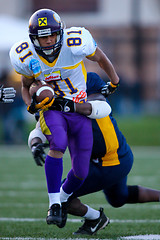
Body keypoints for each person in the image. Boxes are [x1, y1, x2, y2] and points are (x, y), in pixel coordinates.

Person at [9, 9, 119, 226]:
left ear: (61, 33)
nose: (49, 40)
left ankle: (62, 199)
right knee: (57, 143)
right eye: (43, 36)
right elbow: (25, 87)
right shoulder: (26, 56)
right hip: (53, 109)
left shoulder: (75, 43)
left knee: (80, 171)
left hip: (78, 108)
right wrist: (32, 107)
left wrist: (114, 80)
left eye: (52, 34)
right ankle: (55, 204)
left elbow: (100, 57)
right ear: (34, 39)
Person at [28, 72, 160, 235]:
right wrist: (35, 144)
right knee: (118, 197)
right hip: (111, 157)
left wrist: (66, 105)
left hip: (111, 160)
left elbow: (97, 105)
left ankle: (95, 218)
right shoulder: (52, 89)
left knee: (62, 196)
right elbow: (40, 129)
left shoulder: (87, 80)